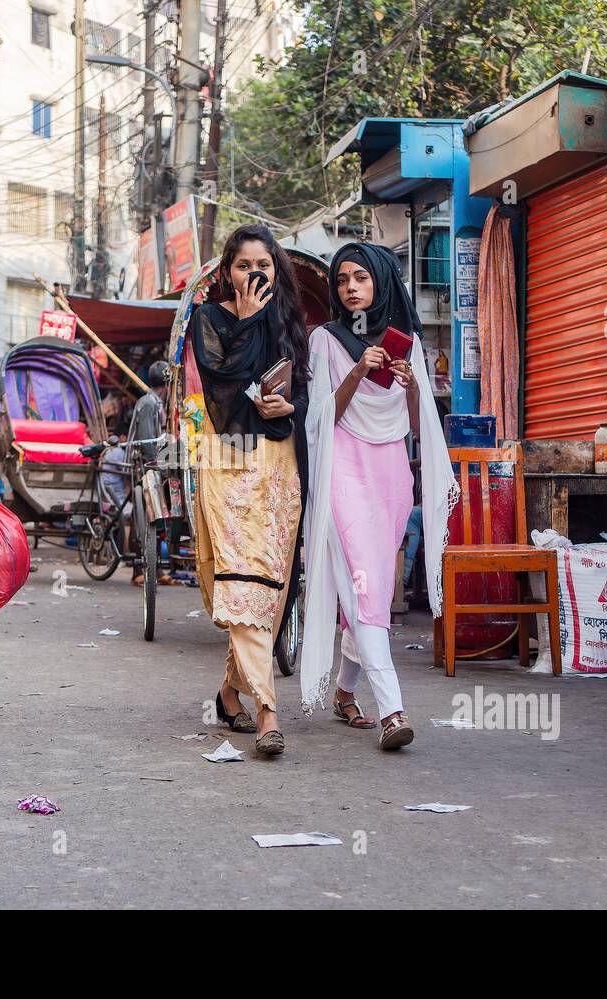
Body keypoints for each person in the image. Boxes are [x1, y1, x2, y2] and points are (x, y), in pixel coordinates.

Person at [299, 242, 457, 751]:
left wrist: (410, 385)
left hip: (390, 472)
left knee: (370, 587)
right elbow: (321, 416)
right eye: (343, 280)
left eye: (361, 278)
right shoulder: (324, 339)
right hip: (343, 466)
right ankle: (393, 709)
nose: (350, 288)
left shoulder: (407, 344)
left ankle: (345, 692)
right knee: (366, 589)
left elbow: (415, 424)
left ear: (382, 282)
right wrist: (357, 371)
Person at [189, 223, 310, 756]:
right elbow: (219, 386)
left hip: (278, 464)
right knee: (241, 584)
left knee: (268, 585)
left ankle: (228, 695)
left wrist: (289, 407)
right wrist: (246, 319)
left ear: (276, 271)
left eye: (263, 266)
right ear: (227, 272)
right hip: (227, 462)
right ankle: (267, 712)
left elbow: (303, 393)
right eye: (244, 265)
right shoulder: (210, 319)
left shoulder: (289, 324)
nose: (254, 274)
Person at [129, 360, 170, 586]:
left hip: (154, 467)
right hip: (142, 468)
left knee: (158, 518)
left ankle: (158, 569)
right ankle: (138, 568)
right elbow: (147, 442)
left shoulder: (158, 403)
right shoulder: (148, 403)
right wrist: (155, 465)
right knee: (141, 519)